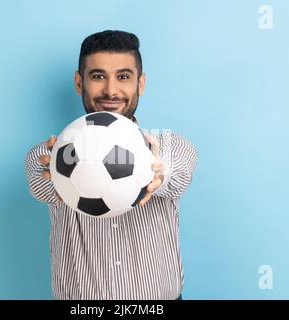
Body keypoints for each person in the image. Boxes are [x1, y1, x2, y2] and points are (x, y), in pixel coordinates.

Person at [25, 30, 198, 300]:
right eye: (98, 76)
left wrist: (156, 175)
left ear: (140, 84)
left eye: (123, 77)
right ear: (79, 83)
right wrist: (55, 172)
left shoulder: (169, 146)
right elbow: (38, 181)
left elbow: (179, 172)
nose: (111, 90)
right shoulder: (55, 154)